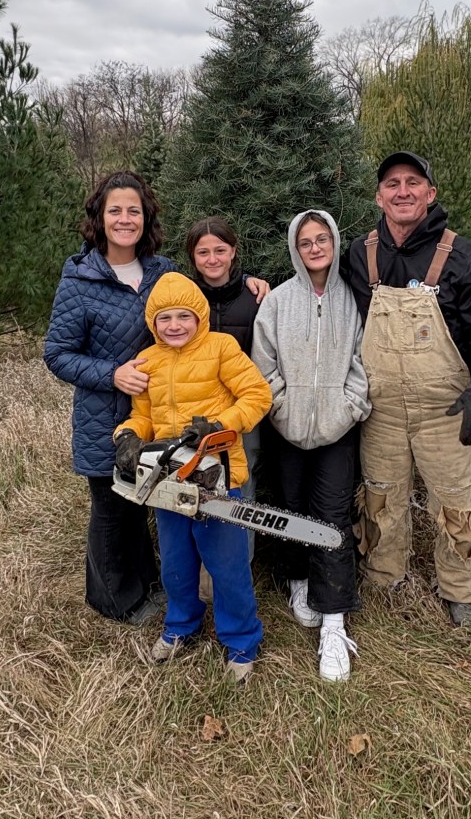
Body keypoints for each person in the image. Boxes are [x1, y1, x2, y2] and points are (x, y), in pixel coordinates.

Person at [343, 151, 471, 627]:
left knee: (455, 501)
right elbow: (319, 292)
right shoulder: (360, 253)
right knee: (379, 497)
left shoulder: (460, 254)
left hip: (446, 410)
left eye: (413, 182)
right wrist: (256, 286)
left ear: (430, 193)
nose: (403, 191)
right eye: (392, 183)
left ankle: (461, 588)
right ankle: (384, 574)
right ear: (379, 196)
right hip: (380, 410)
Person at [112, 272, 272, 683]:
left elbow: (257, 395)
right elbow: (142, 415)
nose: (175, 325)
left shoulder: (221, 347)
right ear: (153, 323)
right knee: (176, 560)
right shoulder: (148, 359)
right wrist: (127, 436)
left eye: (184, 316)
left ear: (199, 316)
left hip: (215, 475)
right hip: (168, 479)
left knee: (227, 564)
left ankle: (241, 640)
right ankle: (181, 624)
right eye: (165, 318)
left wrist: (219, 426)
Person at [44, 171, 175, 625]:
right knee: (112, 508)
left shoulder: (163, 272)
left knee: (141, 500)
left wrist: (252, 283)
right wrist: (112, 374)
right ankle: (113, 599)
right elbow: (57, 354)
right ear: (99, 218)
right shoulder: (80, 279)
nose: (124, 219)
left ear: (146, 217)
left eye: (133, 211)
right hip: (103, 416)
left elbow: (199, 309)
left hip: (156, 414)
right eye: (115, 210)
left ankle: (147, 583)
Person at [251, 210, 371, 681]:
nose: (316, 248)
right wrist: (282, 410)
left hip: (338, 431)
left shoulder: (352, 300)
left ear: (335, 243)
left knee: (333, 516)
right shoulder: (278, 302)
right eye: (306, 242)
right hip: (287, 428)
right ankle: (298, 580)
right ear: (295, 249)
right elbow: (263, 365)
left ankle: (334, 622)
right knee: (292, 506)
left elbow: (363, 362)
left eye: (323, 239)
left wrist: (347, 408)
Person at [186, 217, 262, 567]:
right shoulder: (185, 298)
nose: (212, 259)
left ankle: (239, 568)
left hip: (241, 414)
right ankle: (202, 574)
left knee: (241, 488)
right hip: (194, 412)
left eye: (220, 250)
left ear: (233, 252)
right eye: (203, 252)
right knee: (194, 488)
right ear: (192, 256)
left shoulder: (255, 297)